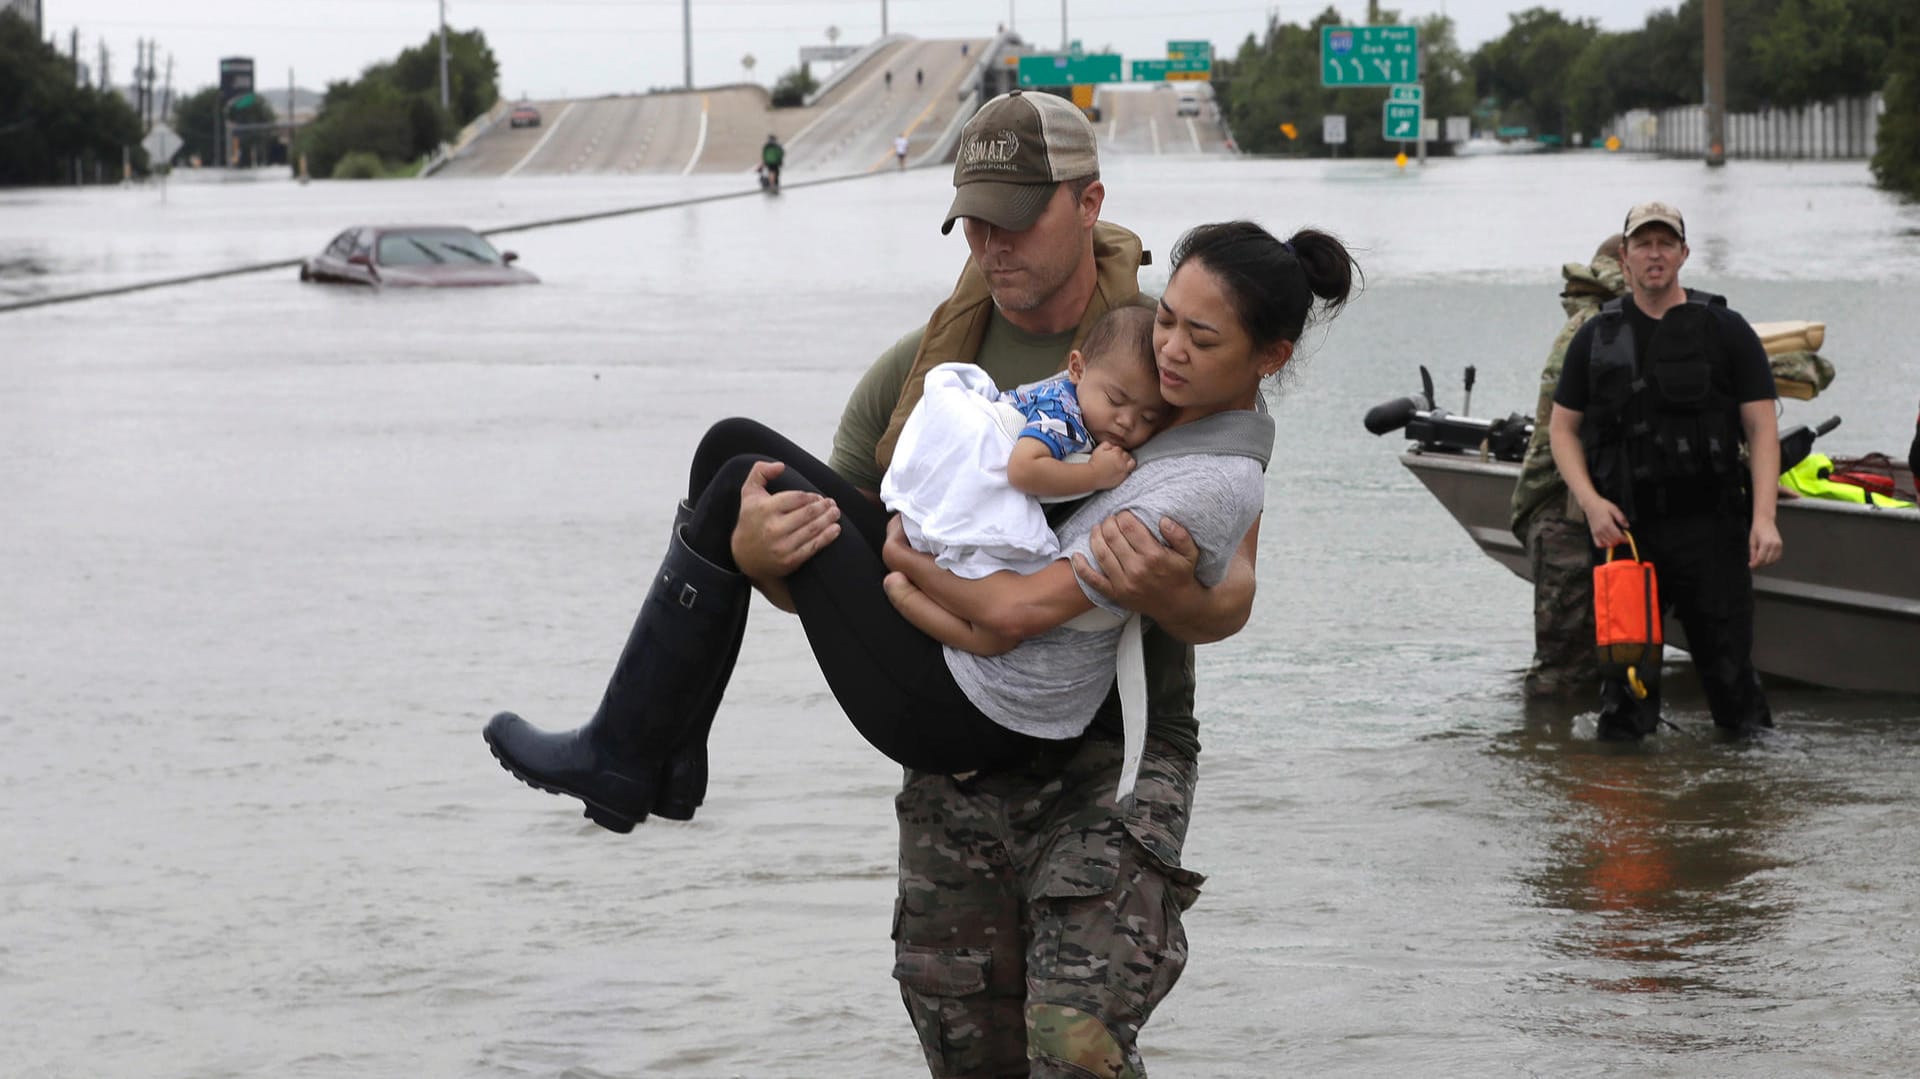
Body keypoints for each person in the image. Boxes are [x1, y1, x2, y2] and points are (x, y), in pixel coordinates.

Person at [812, 90, 1353, 1075]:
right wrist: (769, 555)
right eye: (973, 218)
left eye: (1014, 217)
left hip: (1115, 747)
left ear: (1089, 203)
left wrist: (1170, 593)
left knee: (1077, 1043)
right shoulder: (933, 363)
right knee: (969, 1047)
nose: (990, 240)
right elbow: (842, 549)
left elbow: (1232, 591)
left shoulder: (1161, 359)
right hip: (963, 741)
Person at [1548, 201, 1782, 741]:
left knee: (1734, 688)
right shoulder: (1595, 337)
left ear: (1683, 253)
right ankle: (1629, 811)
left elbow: (1761, 428)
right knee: (1626, 692)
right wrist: (1589, 502)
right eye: (1643, 244)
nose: (1655, 254)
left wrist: (1764, 518)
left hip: (1713, 529)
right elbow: (1563, 431)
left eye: (1665, 243)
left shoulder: (1726, 330)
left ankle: (1744, 809)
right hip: (1626, 535)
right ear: (1625, 258)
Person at [882, 305, 1163, 583]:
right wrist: (1095, 474)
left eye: (1148, 417)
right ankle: (907, 596)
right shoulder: (1062, 412)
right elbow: (1023, 470)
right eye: (1115, 400)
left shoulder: (1084, 408)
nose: (1127, 421)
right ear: (1077, 369)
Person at [1509, 234, 1626, 696]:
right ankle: (1551, 759)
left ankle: (1570, 760)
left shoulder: (1605, 324)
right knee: (1565, 673)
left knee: (1610, 661)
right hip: (1566, 517)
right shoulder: (1592, 329)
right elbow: (1560, 432)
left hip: (1587, 515)